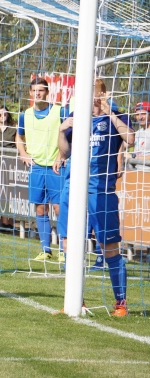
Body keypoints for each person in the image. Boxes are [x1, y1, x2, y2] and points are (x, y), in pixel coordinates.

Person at [56, 78, 134, 317]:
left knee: (109, 247)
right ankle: (75, 301)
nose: (88, 100)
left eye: (93, 95)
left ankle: (121, 302)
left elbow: (130, 139)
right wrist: (61, 130)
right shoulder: (74, 117)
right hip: (73, 188)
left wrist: (110, 112)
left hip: (101, 190)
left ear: (102, 94)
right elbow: (64, 151)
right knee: (69, 244)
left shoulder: (117, 116)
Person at [16, 77, 65, 263]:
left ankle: (63, 250)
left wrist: (61, 155)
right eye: (34, 91)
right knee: (40, 209)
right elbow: (19, 137)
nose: (37, 94)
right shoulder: (25, 115)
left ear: (47, 92)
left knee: (60, 209)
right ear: (30, 93)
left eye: (41, 91)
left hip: (56, 167)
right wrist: (22, 153)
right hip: (36, 168)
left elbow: (70, 135)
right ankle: (46, 249)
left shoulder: (59, 111)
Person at [124, 101, 150, 170]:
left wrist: (132, 156)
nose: (140, 117)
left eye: (143, 114)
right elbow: (125, 144)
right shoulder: (138, 133)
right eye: (137, 115)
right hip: (136, 172)